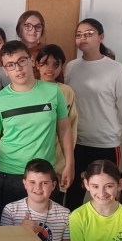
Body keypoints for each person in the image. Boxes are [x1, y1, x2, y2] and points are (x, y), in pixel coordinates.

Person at [0, 40, 74, 224]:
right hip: (9, 176)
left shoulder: (54, 92)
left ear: (31, 60)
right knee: (7, 234)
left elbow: (64, 129)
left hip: (44, 175)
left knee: (45, 232)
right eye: (10, 65)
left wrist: (70, 163)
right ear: (5, 70)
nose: (18, 69)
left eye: (21, 61)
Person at [64, 18, 122, 210]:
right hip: (77, 143)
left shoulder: (115, 69)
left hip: (106, 144)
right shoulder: (71, 67)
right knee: (73, 197)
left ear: (101, 37)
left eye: (89, 34)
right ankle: (73, 230)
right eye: (78, 35)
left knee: (106, 198)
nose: (83, 38)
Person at [35, 44, 78, 179]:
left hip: (60, 160)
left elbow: (71, 127)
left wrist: (68, 162)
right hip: (34, 158)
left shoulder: (66, 92)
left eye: (55, 64)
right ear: (37, 64)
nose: (50, 68)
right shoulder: (29, 89)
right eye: (45, 63)